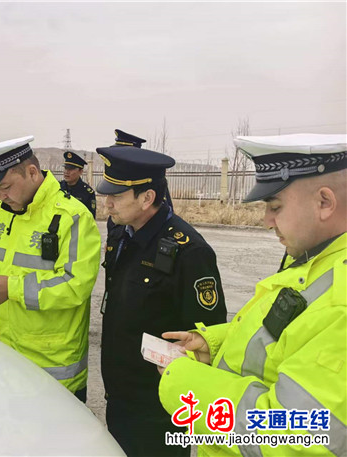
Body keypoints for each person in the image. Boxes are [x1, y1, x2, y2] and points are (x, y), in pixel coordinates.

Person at [158, 134, 347, 457]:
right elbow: (285, 332)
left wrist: (186, 382)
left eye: (275, 206)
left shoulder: (341, 299)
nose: (267, 221)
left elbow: (297, 435)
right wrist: (214, 344)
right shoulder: (315, 257)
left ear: (324, 203)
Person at [96, 129, 227, 456]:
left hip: (159, 409)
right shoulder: (124, 233)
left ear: (147, 198)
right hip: (119, 394)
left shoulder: (189, 251)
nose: (107, 203)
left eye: (116, 196)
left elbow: (208, 334)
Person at [0, 135, 101, 401]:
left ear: (32, 172)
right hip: (7, 358)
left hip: (53, 367)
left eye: (6, 187)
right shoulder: (3, 210)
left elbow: (74, 285)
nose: (1, 195)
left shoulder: (72, 217)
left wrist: (12, 289)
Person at [60, 151, 96, 217]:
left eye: (70, 169)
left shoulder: (87, 192)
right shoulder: (57, 187)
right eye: (66, 168)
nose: (66, 172)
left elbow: (90, 218)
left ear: (80, 171)